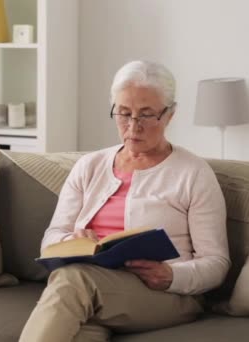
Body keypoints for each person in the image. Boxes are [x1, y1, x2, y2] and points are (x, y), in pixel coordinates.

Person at [19, 61, 230, 342]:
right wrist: (72, 240)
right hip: (94, 292)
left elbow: (217, 263)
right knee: (79, 333)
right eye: (123, 113)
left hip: (165, 295)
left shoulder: (194, 173)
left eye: (146, 115)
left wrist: (171, 275)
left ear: (169, 115)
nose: (133, 127)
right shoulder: (89, 166)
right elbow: (51, 241)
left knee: (73, 280)